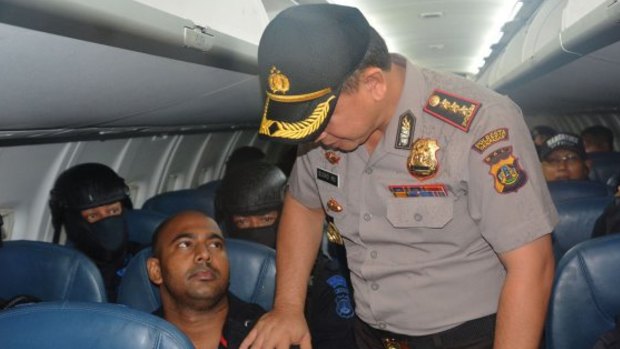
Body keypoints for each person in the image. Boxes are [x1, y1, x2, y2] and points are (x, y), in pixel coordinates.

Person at [241, 4, 557, 349]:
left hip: (470, 338)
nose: (314, 137)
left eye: (321, 120)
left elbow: (531, 265)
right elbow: (304, 205)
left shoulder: (479, 122)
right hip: (370, 336)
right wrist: (288, 306)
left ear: (374, 82)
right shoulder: (324, 135)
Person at [217, 161, 356, 349]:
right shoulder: (217, 274)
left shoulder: (327, 281)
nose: (255, 230)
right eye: (242, 222)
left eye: (266, 219)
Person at [146, 211, 265, 349]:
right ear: (156, 271)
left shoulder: (268, 335)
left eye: (215, 245)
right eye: (185, 244)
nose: (204, 254)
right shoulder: (135, 339)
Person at [49, 162, 134, 301]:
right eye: (93, 216)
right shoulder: (60, 272)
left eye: (113, 211)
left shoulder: (145, 262)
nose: (107, 222)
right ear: (72, 222)